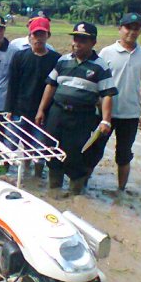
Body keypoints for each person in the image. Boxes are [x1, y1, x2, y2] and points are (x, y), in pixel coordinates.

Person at [35, 22, 118, 197]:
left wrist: (105, 120)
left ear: (93, 42)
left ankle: (75, 195)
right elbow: (51, 85)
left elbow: (107, 95)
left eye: (82, 40)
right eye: (75, 39)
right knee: (52, 150)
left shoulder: (100, 66)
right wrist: (41, 110)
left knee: (75, 154)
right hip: (57, 113)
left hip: (81, 117)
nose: (77, 43)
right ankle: (54, 191)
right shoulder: (63, 60)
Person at [90, 13, 141, 191]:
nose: (132, 31)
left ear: (140, 31)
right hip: (104, 114)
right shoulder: (106, 53)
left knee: (124, 155)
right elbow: (96, 83)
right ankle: (83, 184)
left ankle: (120, 191)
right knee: (95, 150)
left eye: (136, 28)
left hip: (130, 115)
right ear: (120, 29)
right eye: (128, 27)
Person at [5, 17, 61, 177]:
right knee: (9, 144)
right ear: (30, 36)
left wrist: (48, 112)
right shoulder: (20, 56)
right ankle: (5, 173)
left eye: (42, 34)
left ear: (48, 35)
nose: (38, 38)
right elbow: (12, 84)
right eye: (35, 34)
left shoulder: (55, 59)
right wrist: (9, 109)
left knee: (38, 148)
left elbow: (55, 88)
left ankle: (36, 178)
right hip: (19, 109)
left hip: (42, 113)